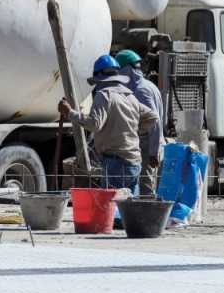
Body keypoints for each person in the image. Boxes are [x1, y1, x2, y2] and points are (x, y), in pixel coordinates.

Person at [58, 55, 158, 194]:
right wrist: (135, 131)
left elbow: (94, 124)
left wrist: (70, 112)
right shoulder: (130, 97)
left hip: (116, 163)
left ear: (99, 77)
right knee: (127, 208)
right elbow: (153, 117)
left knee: (113, 208)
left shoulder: (104, 95)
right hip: (134, 162)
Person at [116, 50, 165, 196]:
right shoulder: (148, 85)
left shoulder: (140, 91)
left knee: (146, 187)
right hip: (149, 145)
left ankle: (149, 217)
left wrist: (153, 152)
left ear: (127, 69)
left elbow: (154, 122)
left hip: (148, 147)